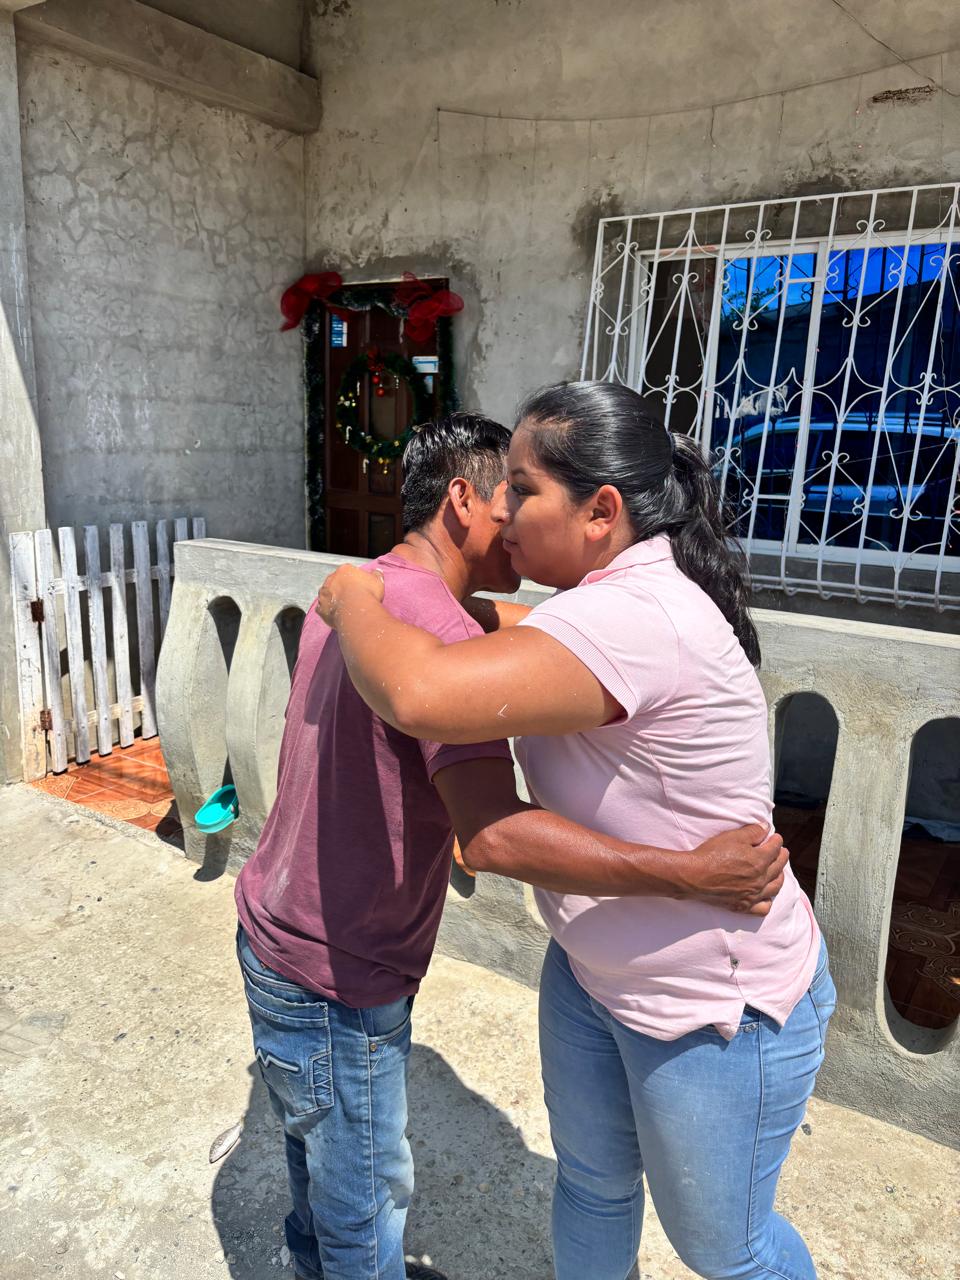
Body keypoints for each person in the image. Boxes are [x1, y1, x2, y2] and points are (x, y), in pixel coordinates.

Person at [235, 411, 788, 1280]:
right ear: (463, 501)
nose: (519, 522)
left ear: (601, 511)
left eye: (532, 494)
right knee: (363, 1210)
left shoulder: (367, 592)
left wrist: (389, 601)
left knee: (321, 1168)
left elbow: (495, 636)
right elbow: (486, 828)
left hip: (276, 928)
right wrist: (688, 873)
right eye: (511, 496)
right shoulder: (429, 633)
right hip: (343, 966)